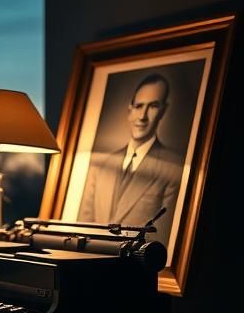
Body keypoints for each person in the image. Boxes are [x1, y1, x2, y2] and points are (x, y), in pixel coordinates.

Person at [78, 73, 183, 246]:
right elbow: (84, 225)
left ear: (163, 110)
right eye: (138, 106)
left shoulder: (174, 170)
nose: (142, 116)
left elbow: (162, 239)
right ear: (129, 110)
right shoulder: (101, 164)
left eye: (153, 106)